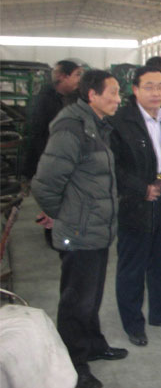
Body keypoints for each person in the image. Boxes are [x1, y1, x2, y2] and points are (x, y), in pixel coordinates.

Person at [31, 70, 127, 388]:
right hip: (80, 230)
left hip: (95, 229)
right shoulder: (71, 128)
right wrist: (63, 216)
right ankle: (73, 365)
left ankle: (93, 344)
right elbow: (45, 184)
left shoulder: (95, 126)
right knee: (76, 301)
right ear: (92, 95)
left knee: (92, 295)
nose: (118, 99)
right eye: (113, 93)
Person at [110, 66, 161, 347]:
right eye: (149, 87)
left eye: (160, 86)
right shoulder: (120, 122)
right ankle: (134, 324)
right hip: (137, 202)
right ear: (135, 90)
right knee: (132, 266)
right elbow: (113, 167)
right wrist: (141, 188)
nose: (156, 92)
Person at [23, 60, 83, 248]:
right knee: (54, 199)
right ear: (63, 76)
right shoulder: (46, 100)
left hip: (64, 158)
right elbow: (40, 134)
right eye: (76, 75)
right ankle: (55, 238)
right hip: (50, 159)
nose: (79, 80)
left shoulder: (70, 97)